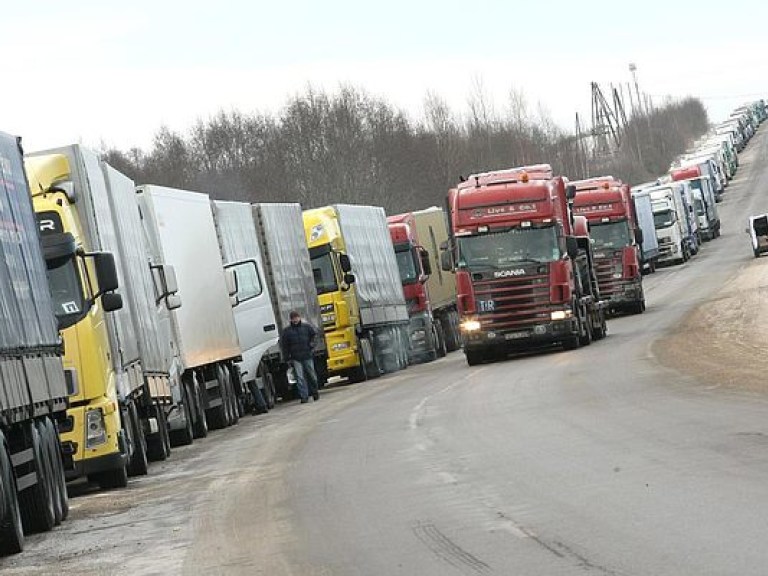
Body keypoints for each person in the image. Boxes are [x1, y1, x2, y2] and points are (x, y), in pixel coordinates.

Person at [282, 311, 319, 403]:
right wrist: (287, 358)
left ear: (299, 317)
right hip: (296, 358)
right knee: (300, 378)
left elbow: (314, 336)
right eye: (293, 318)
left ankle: (315, 392)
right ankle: (304, 396)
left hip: (307, 355)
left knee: (312, 376)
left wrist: (312, 345)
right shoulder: (287, 331)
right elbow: (285, 346)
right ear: (290, 319)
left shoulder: (306, 327)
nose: (295, 320)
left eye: (296, 317)